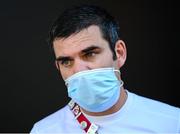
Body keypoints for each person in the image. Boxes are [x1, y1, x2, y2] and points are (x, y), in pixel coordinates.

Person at [30, 5, 180, 133]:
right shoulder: (44, 131)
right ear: (58, 67)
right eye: (66, 62)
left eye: (90, 54)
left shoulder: (172, 123)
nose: (79, 70)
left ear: (119, 53)